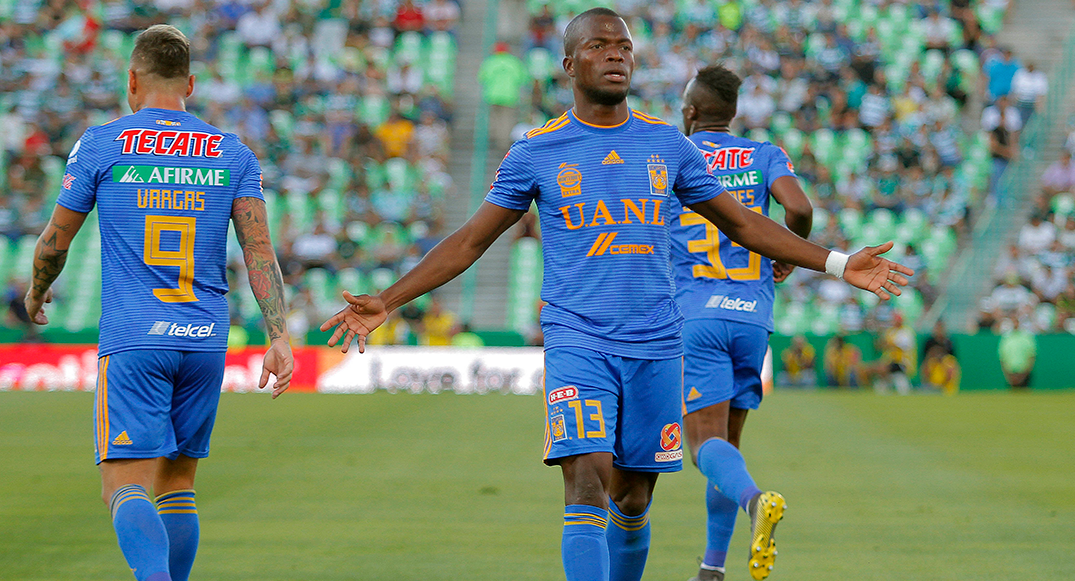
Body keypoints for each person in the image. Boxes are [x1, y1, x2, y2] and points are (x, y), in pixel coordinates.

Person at [321, 9, 912, 581]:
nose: (616, 55)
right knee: (586, 485)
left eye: (624, 47)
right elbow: (471, 240)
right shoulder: (536, 150)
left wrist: (835, 262)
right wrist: (390, 299)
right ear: (569, 64)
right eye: (601, 47)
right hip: (579, 338)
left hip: (659, 343)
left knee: (632, 499)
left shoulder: (668, 145)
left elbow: (744, 224)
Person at [23, 25, 293, 581]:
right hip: (203, 341)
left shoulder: (103, 143)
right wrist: (278, 335)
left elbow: (56, 239)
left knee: (124, 485)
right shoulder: (233, 151)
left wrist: (35, 288)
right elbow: (259, 250)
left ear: (131, 81)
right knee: (177, 485)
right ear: (190, 83)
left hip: (134, 338)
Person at [673, 64, 814, 581]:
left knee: (703, 446)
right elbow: (798, 207)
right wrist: (790, 255)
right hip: (753, 316)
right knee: (727, 450)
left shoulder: (672, 153)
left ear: (691, 112)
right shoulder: (762, 154)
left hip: (694, 314)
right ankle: (712, 569)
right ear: (733, 113)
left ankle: (757, 501)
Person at [998, 316, 1036, 389]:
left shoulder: (1027, 337)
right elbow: (1002, 356)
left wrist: (1027, 371)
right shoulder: (1006, 338)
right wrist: (1007, 373)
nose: (1015, 324)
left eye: (1017, 322)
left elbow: (1032, 355)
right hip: (1010, 370)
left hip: (1023, 370)